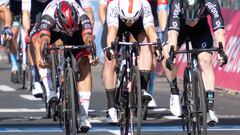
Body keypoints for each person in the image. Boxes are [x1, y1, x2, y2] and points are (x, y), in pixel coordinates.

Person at [29, 0, 99, 131]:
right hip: (54, 31)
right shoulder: (48, 17)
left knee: (85, 63)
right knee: (36, 41)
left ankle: (84, 116)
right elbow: (44, 39)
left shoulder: (82, 16)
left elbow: (88, 37)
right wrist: (43, 57)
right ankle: (50, 90)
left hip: (76, 33)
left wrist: (92, 54)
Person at [163, 0, 227, 125]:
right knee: (167, 53)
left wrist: (221, 52)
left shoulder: (211, 3)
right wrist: (171, 54)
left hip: (201, 29)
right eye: (190, 18)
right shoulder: (176, 4)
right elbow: (172, 34)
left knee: (206, 61)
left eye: (195, 17)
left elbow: (220, 31)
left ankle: (209, 109)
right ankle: (174, 91)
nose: (192, 22)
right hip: (180, 27)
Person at [103, 0, 159, 123]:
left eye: (131, 20)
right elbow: (112, 31)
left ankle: (143, 88)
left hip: (139, 24)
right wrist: (110, 50)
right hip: (117, 24)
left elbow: (151, 30)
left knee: (146, 44)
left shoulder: (144, 5)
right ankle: (111, 105)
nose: (129, 23)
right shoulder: (114, 6)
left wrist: (157, 46)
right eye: (128, 21)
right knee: (109, 60)